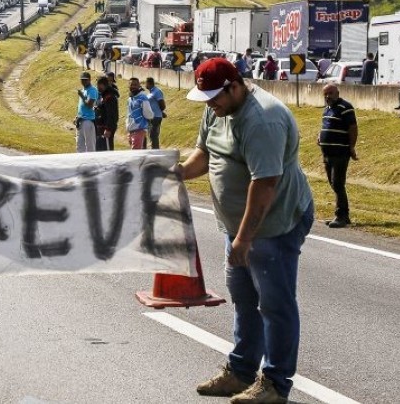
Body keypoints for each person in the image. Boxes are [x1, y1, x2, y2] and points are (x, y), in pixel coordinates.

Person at [179, 58, 313, 404]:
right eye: (206, 98)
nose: (210, 104)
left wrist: (244, 239)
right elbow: (204, 156)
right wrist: (174, 172)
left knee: (274, 303)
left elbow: (265, 183)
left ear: (235, 85)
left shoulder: (263, 119)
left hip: (272, 225)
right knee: (244, 299)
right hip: (239, 227)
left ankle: (275, 384)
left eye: (215, 97)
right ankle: (240, 372)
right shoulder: (218, 110)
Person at [318, 84, 358, 228]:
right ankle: (342, 214)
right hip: (327, 153)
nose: (328, 96)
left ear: (337, 93)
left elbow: (353, 128)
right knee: (333, 183)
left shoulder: (345, 107)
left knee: (338, 183)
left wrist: (352, 146)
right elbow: (326, 125)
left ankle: (341, 215)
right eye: (325, 94)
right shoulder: (327, 109)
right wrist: (320, 137)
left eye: (331, 93)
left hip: (340, 152)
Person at [126, 77, 154, 150]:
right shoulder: (130, 99)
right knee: (135, 153)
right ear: (128, 86)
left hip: (139, 130)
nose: (133, 86)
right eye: (131, 85)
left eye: (135, 85)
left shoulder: (142, 98)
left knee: (136, 154)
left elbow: (149, 114)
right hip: (131, 130)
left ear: (139, 86)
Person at [75, 71, 98, 153]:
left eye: (85, 80)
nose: (84, 81)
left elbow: (89, 105)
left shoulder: (92, 90)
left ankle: (92, 164)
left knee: (90, 146)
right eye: (82, 80)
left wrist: (82, 96)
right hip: (80, 120)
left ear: (89, 80)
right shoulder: (83, 90)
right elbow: (81, 106)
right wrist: (77, 116)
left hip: (88, 121)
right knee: (79, 146)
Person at [93, 75, 118, 151]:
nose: (97, 88)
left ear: (102, 85)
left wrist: (108, 128)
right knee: (100, 149)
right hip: (100, 127)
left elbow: (111, 114)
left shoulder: (109, 97)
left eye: (98, 85)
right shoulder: (103, 95)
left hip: (106, 129)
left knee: (106, 150)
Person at [144, 77, 166, 149]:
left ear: (149, 83)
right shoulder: (150, 92)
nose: (145, 85)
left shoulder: (157, 91)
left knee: (153, 135)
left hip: (156, 117)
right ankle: (154, 150)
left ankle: (155, 151)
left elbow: (162, 104)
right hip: (151, 117)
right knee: (151, 135)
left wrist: (161, 112)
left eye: (145, 83)